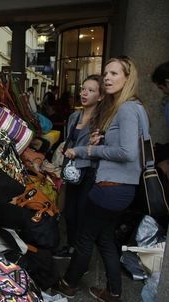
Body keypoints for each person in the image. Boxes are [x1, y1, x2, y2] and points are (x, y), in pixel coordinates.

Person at [52, 56, 149, 302]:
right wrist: (104, 140)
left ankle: (68, 284)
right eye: (106, 73)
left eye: (114, 74)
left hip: (110, 188)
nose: (107, 77)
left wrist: (91, 150)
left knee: (85, 238)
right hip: (121, 188)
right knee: (105, 239)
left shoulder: (126, 108)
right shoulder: (136, 107)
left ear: (128, 78)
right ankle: (114, 292)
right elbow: (131, 146)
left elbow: (128, 153)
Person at [53, 75, 103, 259]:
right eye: (83, 89)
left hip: (89, 171)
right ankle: (71, 247)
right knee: (69, 212)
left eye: (91, 90)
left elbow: (97, 149)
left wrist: (79, 151)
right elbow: (69, 142)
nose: (84, 93)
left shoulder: (100, 120)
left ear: (100, 96)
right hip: (71, 170)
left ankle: (80, 253)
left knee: (82, 213)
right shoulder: (74, 116)